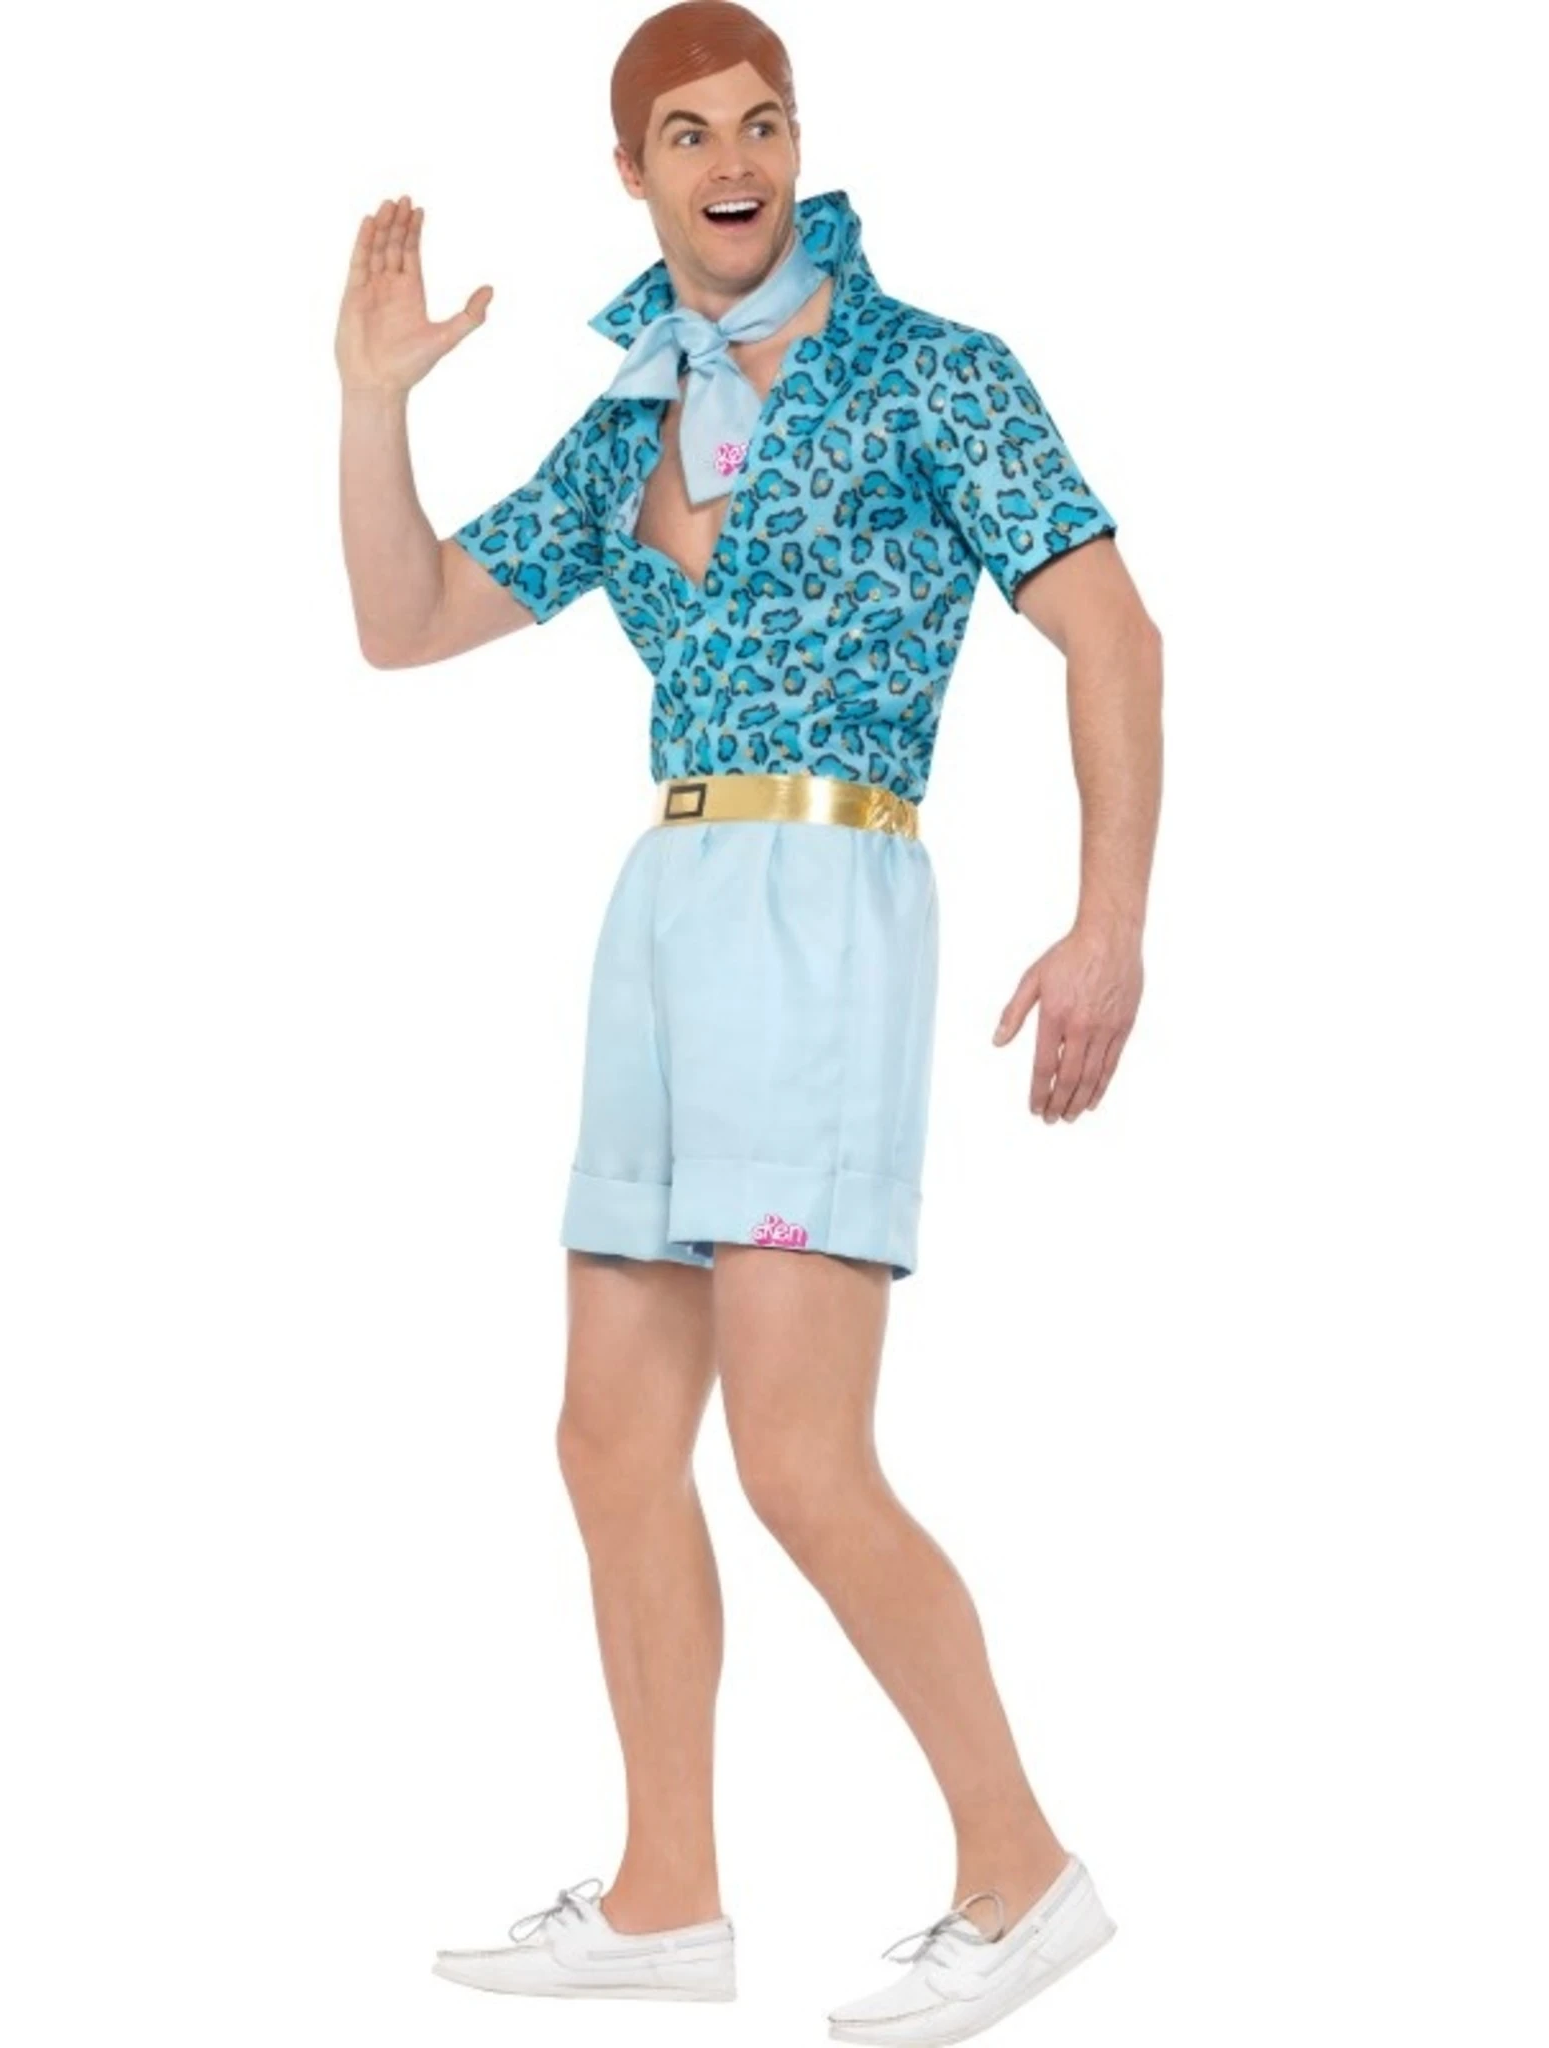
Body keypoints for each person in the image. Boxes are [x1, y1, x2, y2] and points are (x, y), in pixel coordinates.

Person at [336, 3, 1161, 2039]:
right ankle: (664, 1896)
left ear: (798, 143)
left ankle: (1023, 1870)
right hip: (666, 904)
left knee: (798, 1456)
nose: (734, 160)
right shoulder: (633, 413)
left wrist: (1105, 924)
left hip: (828, 893)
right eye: (690, 133)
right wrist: (372, 405)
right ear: (632, 172)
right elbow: (406, 622)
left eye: (761, 122)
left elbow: (1110, 634)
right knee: (608, 1439)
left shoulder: (933, 371)